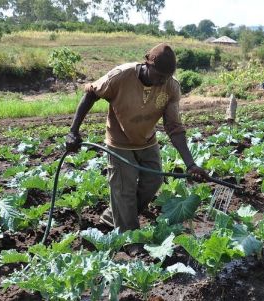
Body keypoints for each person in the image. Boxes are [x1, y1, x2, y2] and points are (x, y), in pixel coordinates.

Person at [65, 43, 208, 236]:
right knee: (124, 189)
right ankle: (129, 236)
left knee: (154, 181)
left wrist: (190, 165)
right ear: (147, 64)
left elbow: (174, 127)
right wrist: (73, 131)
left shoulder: (171, 86)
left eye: (166, 77)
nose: (161, 81)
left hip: (147, 140)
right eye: (158, 76)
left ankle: (113, 217)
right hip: (119, 142)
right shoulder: (121, 76)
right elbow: (91, 94)